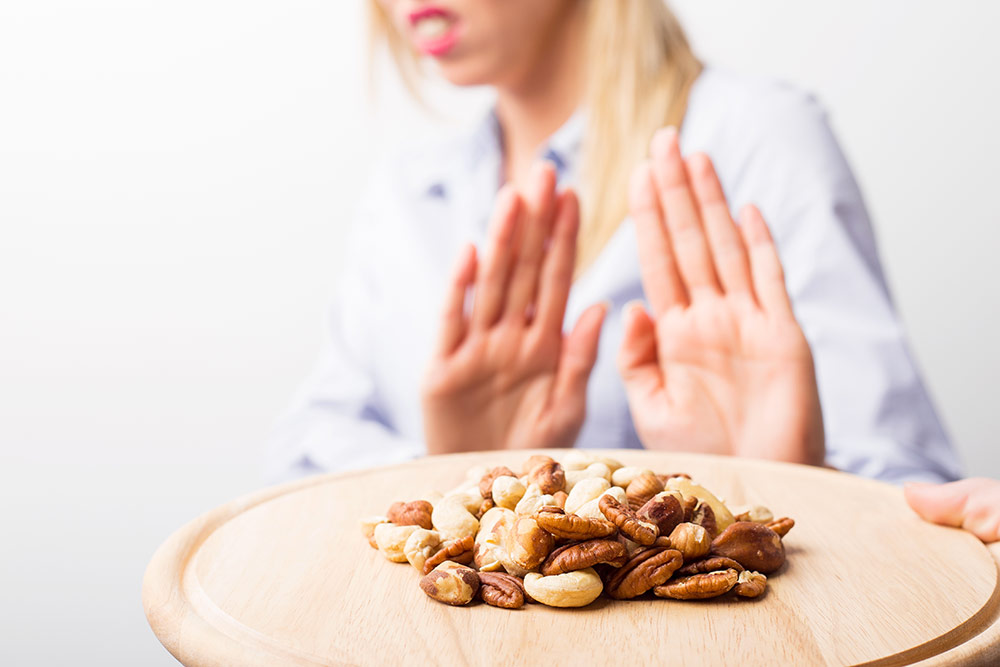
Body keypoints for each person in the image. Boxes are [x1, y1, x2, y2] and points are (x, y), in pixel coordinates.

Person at [265, 0, 961, 484]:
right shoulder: (406, 191)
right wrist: (458, 480)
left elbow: (915, 499)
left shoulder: (755, 138)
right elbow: (296, 469)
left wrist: (790, 485)